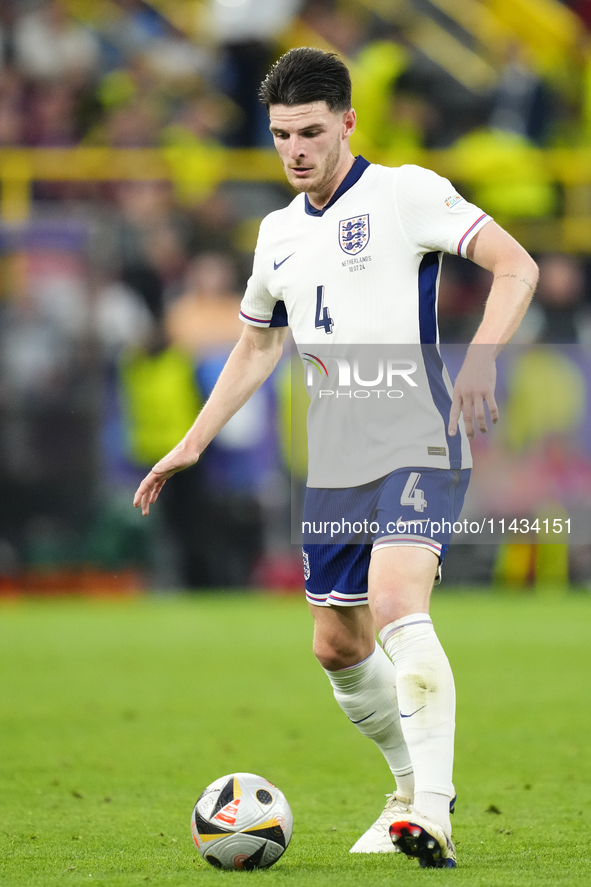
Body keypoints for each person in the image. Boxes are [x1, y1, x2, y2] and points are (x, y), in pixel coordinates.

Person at [133, 48, 538, 868]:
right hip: (337, 458)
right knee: (337, 644)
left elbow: (515, 265)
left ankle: (433, 808)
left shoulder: (405, 192)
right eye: (281, 133)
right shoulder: (276, 233)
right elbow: (255, 345)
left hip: (420, 433)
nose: (295, 149)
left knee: (395, 605)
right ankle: (403, 793)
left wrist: (483, 355)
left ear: (348, 121)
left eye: (311, 131)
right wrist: (191, 440)